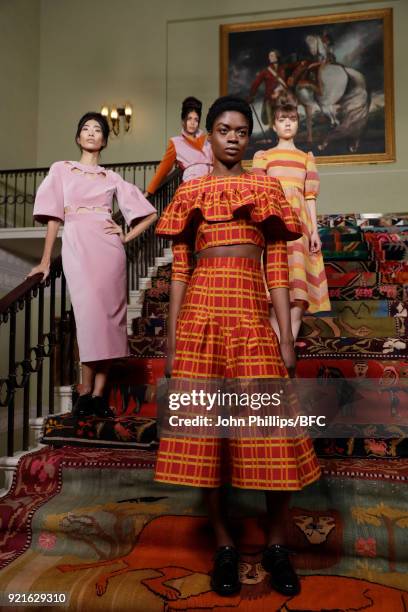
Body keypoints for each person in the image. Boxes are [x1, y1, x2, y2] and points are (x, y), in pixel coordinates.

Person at [154, 96, 321, 597]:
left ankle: (276, 545)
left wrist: (285, 337)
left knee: (270, 432)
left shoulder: (265, 187)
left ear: (250, 137)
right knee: (206, 437)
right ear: (208, 135)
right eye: (223, 129)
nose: (232, 137)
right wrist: (172, 335)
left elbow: (277, 269)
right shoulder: (192, 192)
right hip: (202, 319)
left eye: (241, 130)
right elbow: (181, 269)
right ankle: (224, 544)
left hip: (251, 319)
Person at [29, 112, 157, 417]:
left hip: (108, 249)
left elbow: (150, 214)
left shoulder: (111, 178)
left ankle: (98, 395)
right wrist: (46, 260)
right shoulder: (61, 169)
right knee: (88, 317)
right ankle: (84, 390)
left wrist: (125, 236)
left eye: (96, 129)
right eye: (85, 129)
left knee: (111, 321)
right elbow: (53, 218)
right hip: (77, 243)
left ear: (103, 140)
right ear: (78, 137)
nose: (90, 133)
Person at [252, 102, 330, 340]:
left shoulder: (306, 158)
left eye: (292, 119)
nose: (287, 123)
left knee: (297, 293)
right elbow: (258, 196)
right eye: (282, 119)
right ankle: (278, 360)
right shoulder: (264, 157)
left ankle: (287, 355)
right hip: (273, 229)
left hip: (299, 230)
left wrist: (314, 232)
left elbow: (310, 197)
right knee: (274, 293)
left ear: (298, 123)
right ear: (274, 125)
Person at [144, 96, 213, 196]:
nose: (193, 123)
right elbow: (163, 169)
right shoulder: (175, 142)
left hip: (211, 183)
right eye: (189, 119)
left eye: (196, 120)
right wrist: (149, 191)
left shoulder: (207, 139)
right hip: (192, 186)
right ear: (183, 121)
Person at [248, 50, 289, 130]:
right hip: (270, 100)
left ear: (277, 57)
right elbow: (256, 83)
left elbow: (286, 84)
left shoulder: (283, 69)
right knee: (271, 124)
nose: (270, 57)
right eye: (269, 56)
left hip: (282, 100)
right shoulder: (266, 71)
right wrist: (251, 95)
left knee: (283, 122)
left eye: (272, 55)